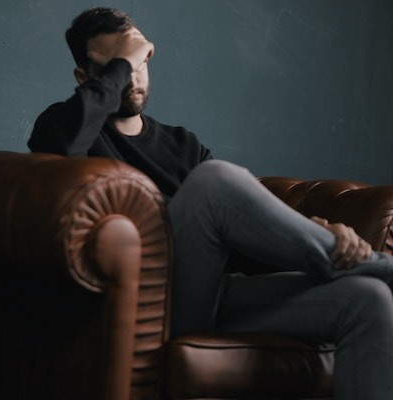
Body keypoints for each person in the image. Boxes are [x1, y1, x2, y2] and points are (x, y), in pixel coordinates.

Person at [28, 7, 393, 399]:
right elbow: (59, 151)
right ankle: (375, 265)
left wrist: (314, 230)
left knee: (369, 300)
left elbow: (241, 229)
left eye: (140, 60)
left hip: (216, 294)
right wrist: (125, 58)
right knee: (214, 180)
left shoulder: (182, 144)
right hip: (153, 305)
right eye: (120, 64)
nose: (132, 75)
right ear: (84, 77)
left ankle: (355, 266)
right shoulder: (63, 126)